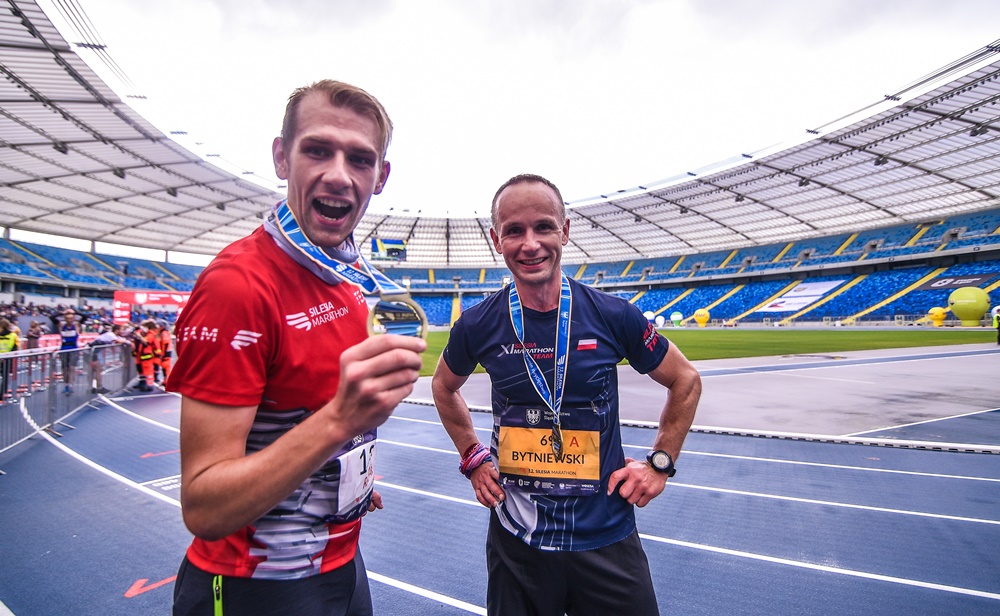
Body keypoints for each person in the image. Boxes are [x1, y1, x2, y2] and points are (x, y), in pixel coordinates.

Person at [166, 80, 425, 616]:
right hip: (253, 586)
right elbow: (204, 505)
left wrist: (341, 476)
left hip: (342, 564)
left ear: (380, 178)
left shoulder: (354, 280)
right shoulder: (238, 286)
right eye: (317, 149)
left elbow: (296, 430)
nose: (338, 173)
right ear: (282, 158)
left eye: (360, 158)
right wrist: (336, 421)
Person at [432, 174, 702, 616]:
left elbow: (685, 380)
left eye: (543, 227)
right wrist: (473, 456)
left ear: (565, 231)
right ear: (496, 239)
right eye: (514, 231)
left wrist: (660, 463)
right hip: (518, 540)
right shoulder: (478, 325)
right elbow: (443, 387)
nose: (530, 243)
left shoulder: (613, 315)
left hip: (606, 535)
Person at [88, 323, 128, 394]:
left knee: (95, 369)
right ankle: (98, 387)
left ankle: (94, 387)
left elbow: (124, 341)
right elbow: (121, 341)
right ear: (117, 330)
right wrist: (125, 341)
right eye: (122, 330)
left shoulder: (115, 336)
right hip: (91, 350)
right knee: (97, 368)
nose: (123, 332)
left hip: (94, 351)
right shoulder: (110, 335)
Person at [0, 318, 19, 401]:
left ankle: (2, 394)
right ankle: (2, 394)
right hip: (7, 358)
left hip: (5, 357)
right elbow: (16, 347)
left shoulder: (13, 335)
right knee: (5, 377)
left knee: (5, 377)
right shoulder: (13, 335)